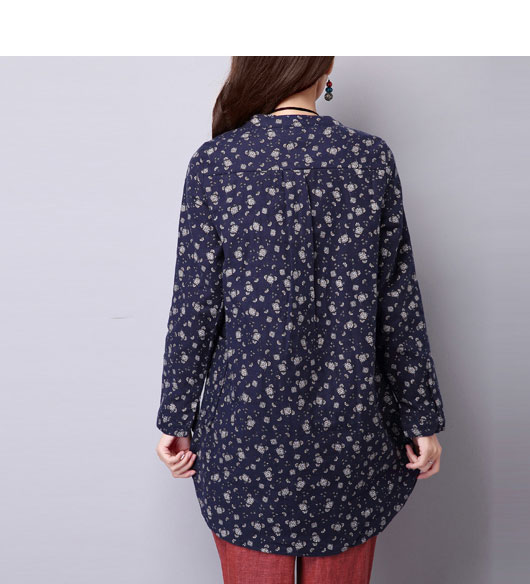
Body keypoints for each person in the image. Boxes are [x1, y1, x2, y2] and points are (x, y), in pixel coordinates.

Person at [154, 56, 446, 584]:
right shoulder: (369, 158)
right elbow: (397, 302)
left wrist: (176, 420)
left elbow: (194, 304)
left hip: (245, 434)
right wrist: (420, 419)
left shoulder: (216, 162)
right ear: (322, 75)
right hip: (350, 427)